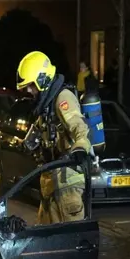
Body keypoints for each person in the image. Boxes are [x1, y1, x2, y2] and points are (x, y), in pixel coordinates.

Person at [16, 51, 92, 225]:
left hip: (67, 183)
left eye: (31, 85)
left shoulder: (62, 98)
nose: (29, 91)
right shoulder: (46, 105)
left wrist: (80, 148)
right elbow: (39, 132)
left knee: (69, 239)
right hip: (51, 180)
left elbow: (80, 127)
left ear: (42, 80)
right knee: (45, 239)